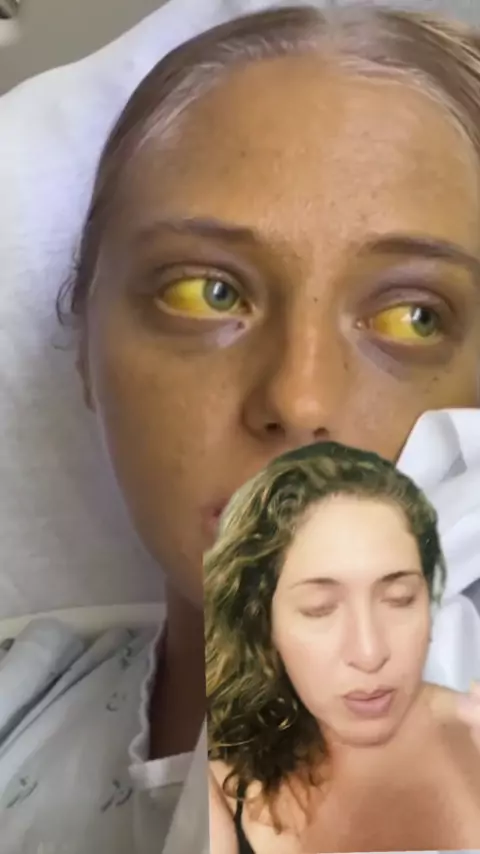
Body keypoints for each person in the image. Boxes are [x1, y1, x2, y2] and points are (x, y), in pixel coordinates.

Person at [2, 3, 480, 853]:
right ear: (86, 353)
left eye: (411, 316)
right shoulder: (22, 706)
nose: (298, 398)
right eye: (206, 293)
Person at [206, 441, 480, 853]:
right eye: (320, 609)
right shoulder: (216, 789)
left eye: (400, 599)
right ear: (262, 621)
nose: (370, 653)